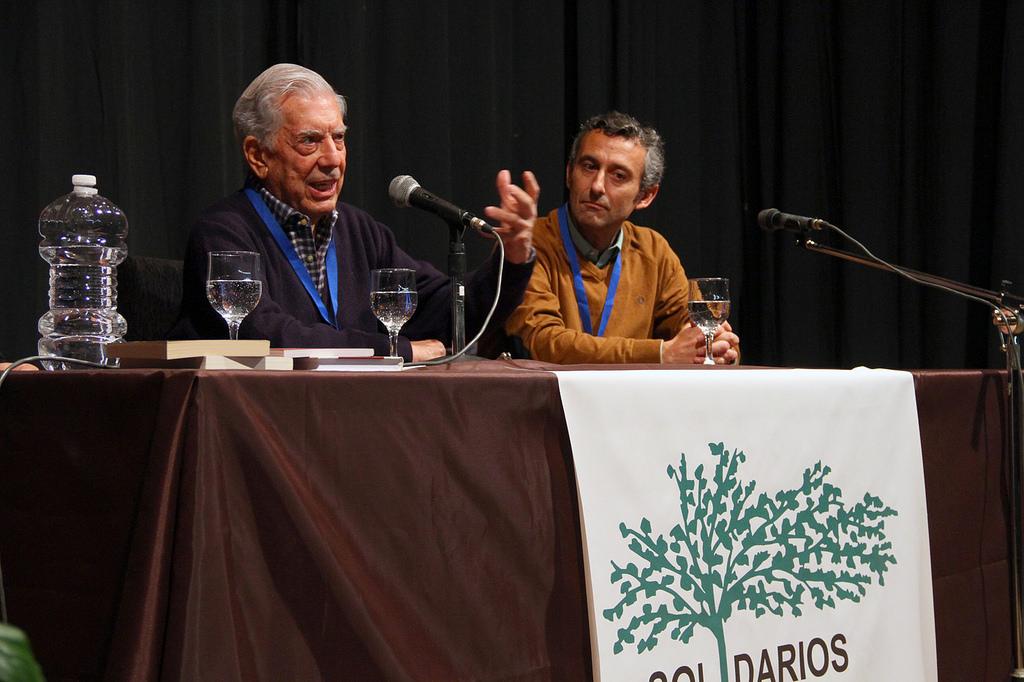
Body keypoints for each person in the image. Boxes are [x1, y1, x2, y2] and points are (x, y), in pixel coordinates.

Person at [173, 64, 538, 361]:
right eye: (310, 141)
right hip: (261, 425)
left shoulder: (361, 231)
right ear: (258, 155)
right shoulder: (223, 233)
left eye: (339, 138)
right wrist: (396, 351)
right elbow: (264, 335)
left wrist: (513, 260)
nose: (332, 159)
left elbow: (449, 313)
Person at [503, 111, 739, 364]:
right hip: (549, 400)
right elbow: (545, 343)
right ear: (569, 173)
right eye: (589, 167)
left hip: (633, 402)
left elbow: (693, 331)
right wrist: (661, 353)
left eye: (618, 176)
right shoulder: (529, 244)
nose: (597, 186)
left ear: (646, 195)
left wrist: (715, 348)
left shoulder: (653, 250)